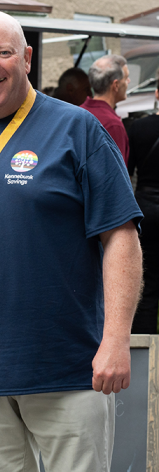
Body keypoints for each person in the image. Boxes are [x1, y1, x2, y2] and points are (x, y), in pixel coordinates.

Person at [0, 10, 142, 472]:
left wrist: (116, 340)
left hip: (67, 367)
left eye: (3, 53)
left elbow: (121, 236)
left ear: (28, 58)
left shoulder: (78, 130)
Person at [128, 76, 159, 335]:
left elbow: (127, 171)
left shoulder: (138, 128)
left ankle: (145, 350)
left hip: (146, 208)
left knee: (146, 286)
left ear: (157, 93)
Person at [81, 54, 131, 166]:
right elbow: (116, 176)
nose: (129, 81)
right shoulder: (112, 125)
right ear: (116, 85)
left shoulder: (76, 112)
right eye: (126, 78)